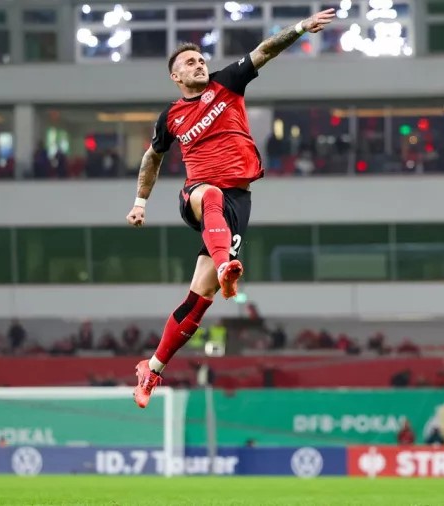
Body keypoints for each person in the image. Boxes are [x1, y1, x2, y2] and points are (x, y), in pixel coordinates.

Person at [125, 8, 336, 408]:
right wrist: (139, 203)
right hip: (198, 195)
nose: (200, 63)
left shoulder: (227, 83)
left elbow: (265, 50)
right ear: (176, 77)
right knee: (211, 195)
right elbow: (152, 158)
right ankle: (226, 267)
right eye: (190, 62)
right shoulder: (170, 116)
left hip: (238, 200)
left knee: (198, 301)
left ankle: (151, 368)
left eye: (201, 58)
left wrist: (300, 26)